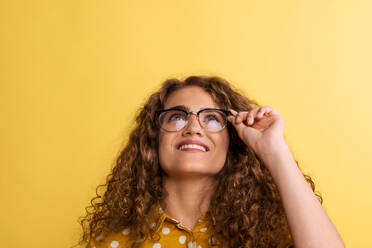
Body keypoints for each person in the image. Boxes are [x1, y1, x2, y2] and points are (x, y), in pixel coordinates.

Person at [76, 76, 345, 248]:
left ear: (232, 142)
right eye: (177, 117)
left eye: (212, 118)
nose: (194, 127)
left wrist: (274, 150)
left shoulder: (267, 238)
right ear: (153, 141)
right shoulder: (110, 244)